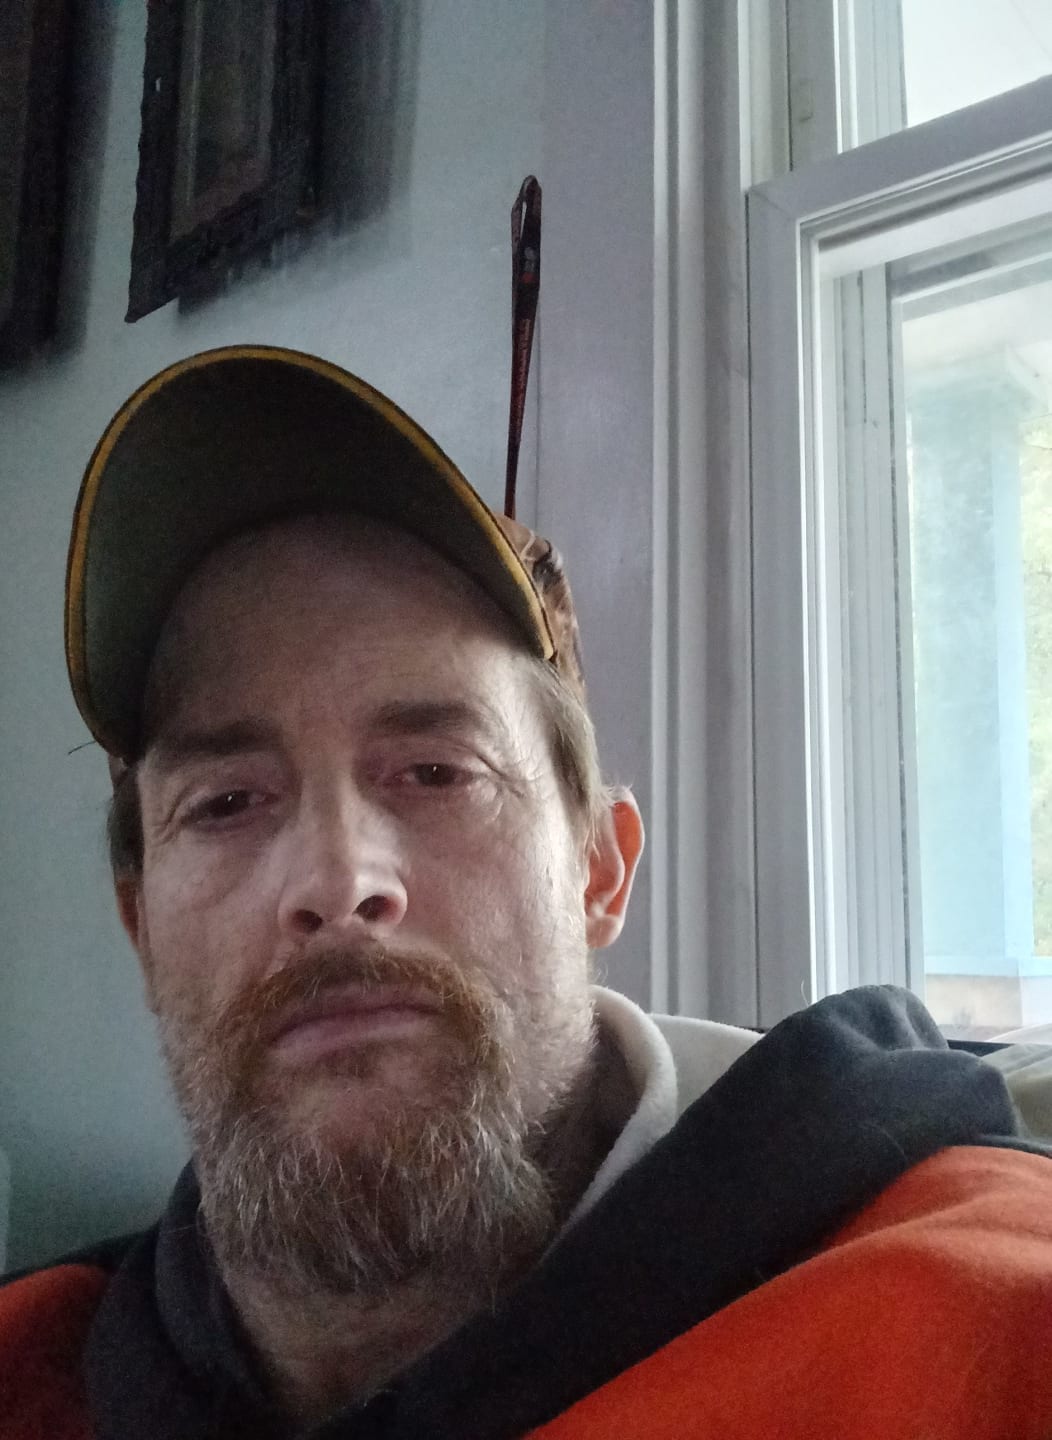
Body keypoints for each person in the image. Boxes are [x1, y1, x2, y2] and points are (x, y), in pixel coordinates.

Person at [2, 344, 1051, 1440]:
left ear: (599, 869)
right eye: (225, 803)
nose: (335, 881)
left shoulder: (991, 1327)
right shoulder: (29, 1364)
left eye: (435, 773)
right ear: (140, 928)